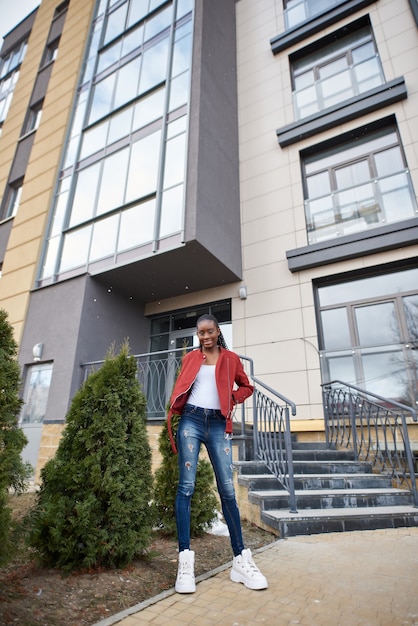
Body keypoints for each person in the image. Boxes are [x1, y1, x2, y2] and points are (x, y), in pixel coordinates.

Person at [167, 313, 268, 594]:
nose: (205, 336)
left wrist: (232, 398)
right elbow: (183, 386)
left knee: (227, 489)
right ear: (197, 335)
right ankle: (185, 560)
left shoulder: (231, 359)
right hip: (191, 420)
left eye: (209, 331)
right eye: (201, 333)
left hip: (217, 424)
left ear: (217, 331)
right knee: (185, 487)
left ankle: (240, 559)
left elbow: (246, 386)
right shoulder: (190, 358)